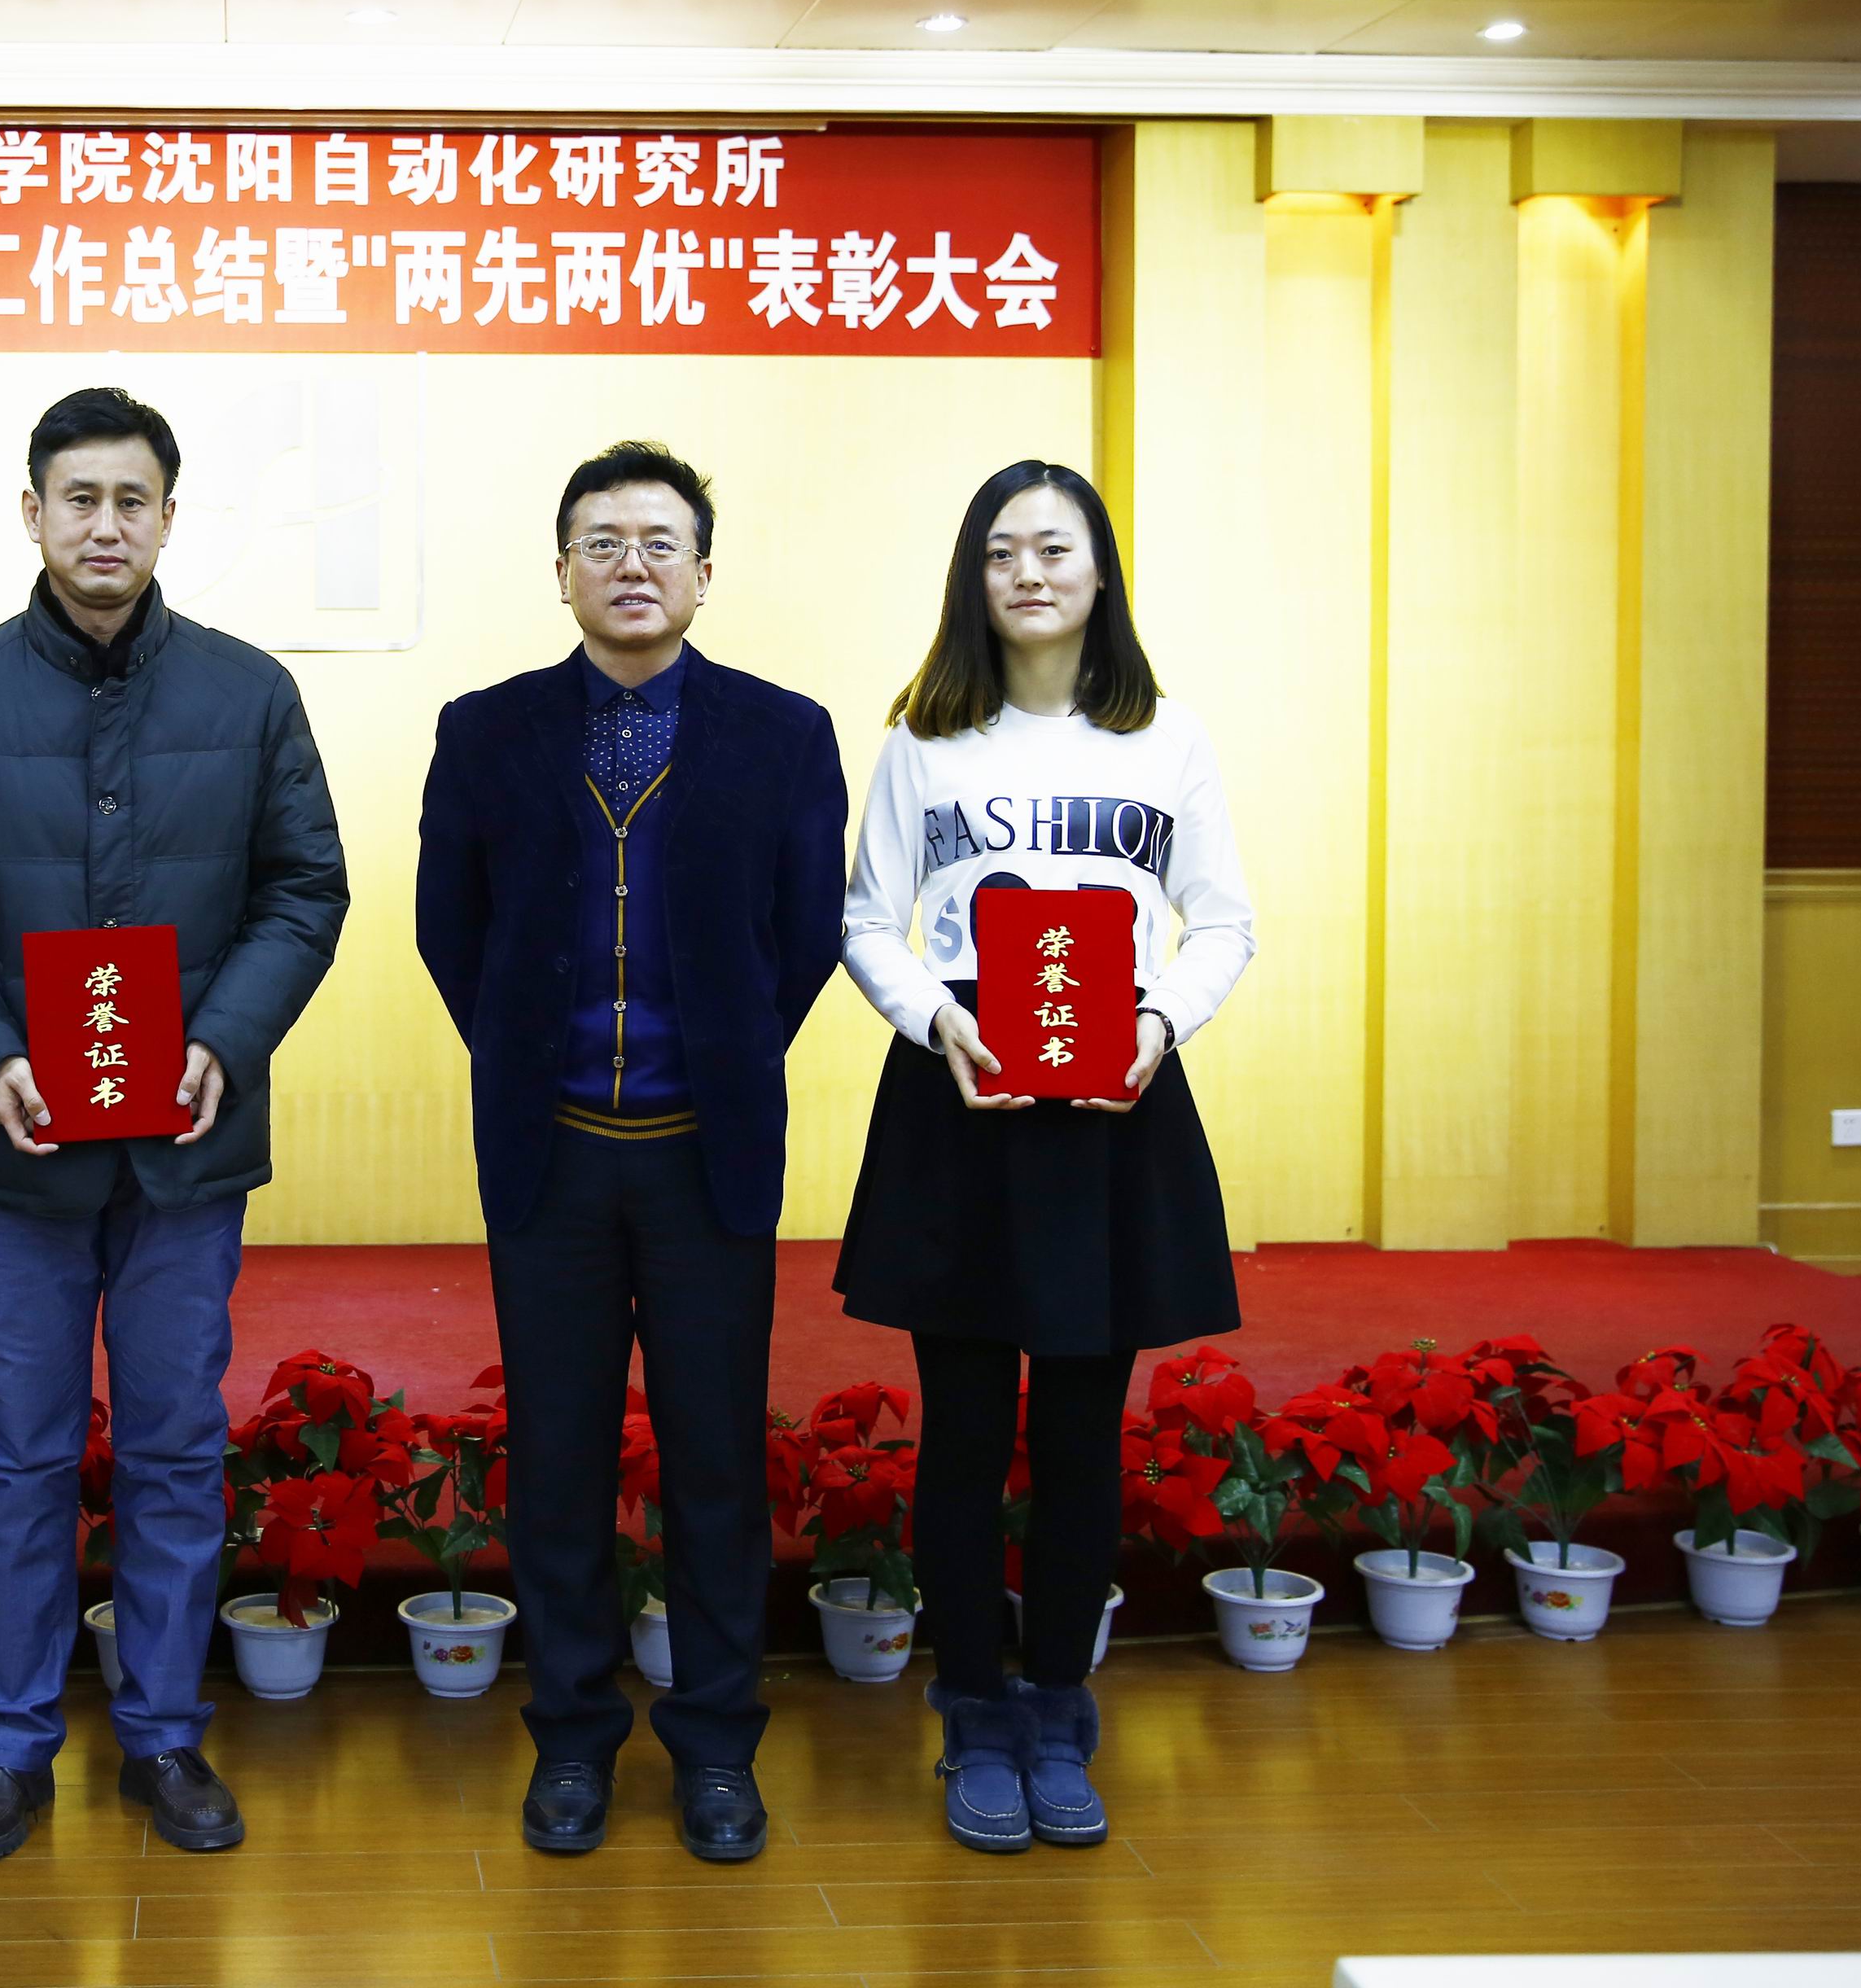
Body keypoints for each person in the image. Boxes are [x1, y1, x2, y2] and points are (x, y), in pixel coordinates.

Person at [0, 385, 348, 1864]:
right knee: (19, 1449)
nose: (104, 526)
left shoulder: (247, 693)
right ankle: (8, 1743)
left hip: (185, 1148)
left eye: (131, 500)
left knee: (173, 1446)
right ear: (33, 513)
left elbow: (305, 889)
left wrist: (223, 1040)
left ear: (167, 518)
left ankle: (162, 1734)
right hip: (17, 1147)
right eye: (77, 498)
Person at [414, 441, 847, 1865]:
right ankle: (573, 1738)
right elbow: (450, 929)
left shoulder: (784, 735)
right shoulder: (486, 731)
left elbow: (804, 937)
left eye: (661, 542)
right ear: (562, 572)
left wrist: (724, 1054)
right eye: (602, 542)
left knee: (717, 1461)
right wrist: (526, 1053)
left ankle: (717, 1745)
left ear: (704, 573)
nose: (633, 565)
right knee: (558, 1458)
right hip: (550, 1160)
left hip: (705, 1159)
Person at [835, 456, 1253, 1856]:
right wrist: (934, 1018)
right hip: (960, 1106)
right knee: (962, 1434)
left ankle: (1061, 1707)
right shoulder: (926, 738)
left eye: (1055, 548)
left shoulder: (1166, 738)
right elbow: (868, 919)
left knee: (1081, 1436)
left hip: (1110, 1111)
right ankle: (972, 1711)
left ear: (1099, 572)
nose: (1028, 572)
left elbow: (1225, 922)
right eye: (1002, 550)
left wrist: (1158, 1022)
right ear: (975, 576)